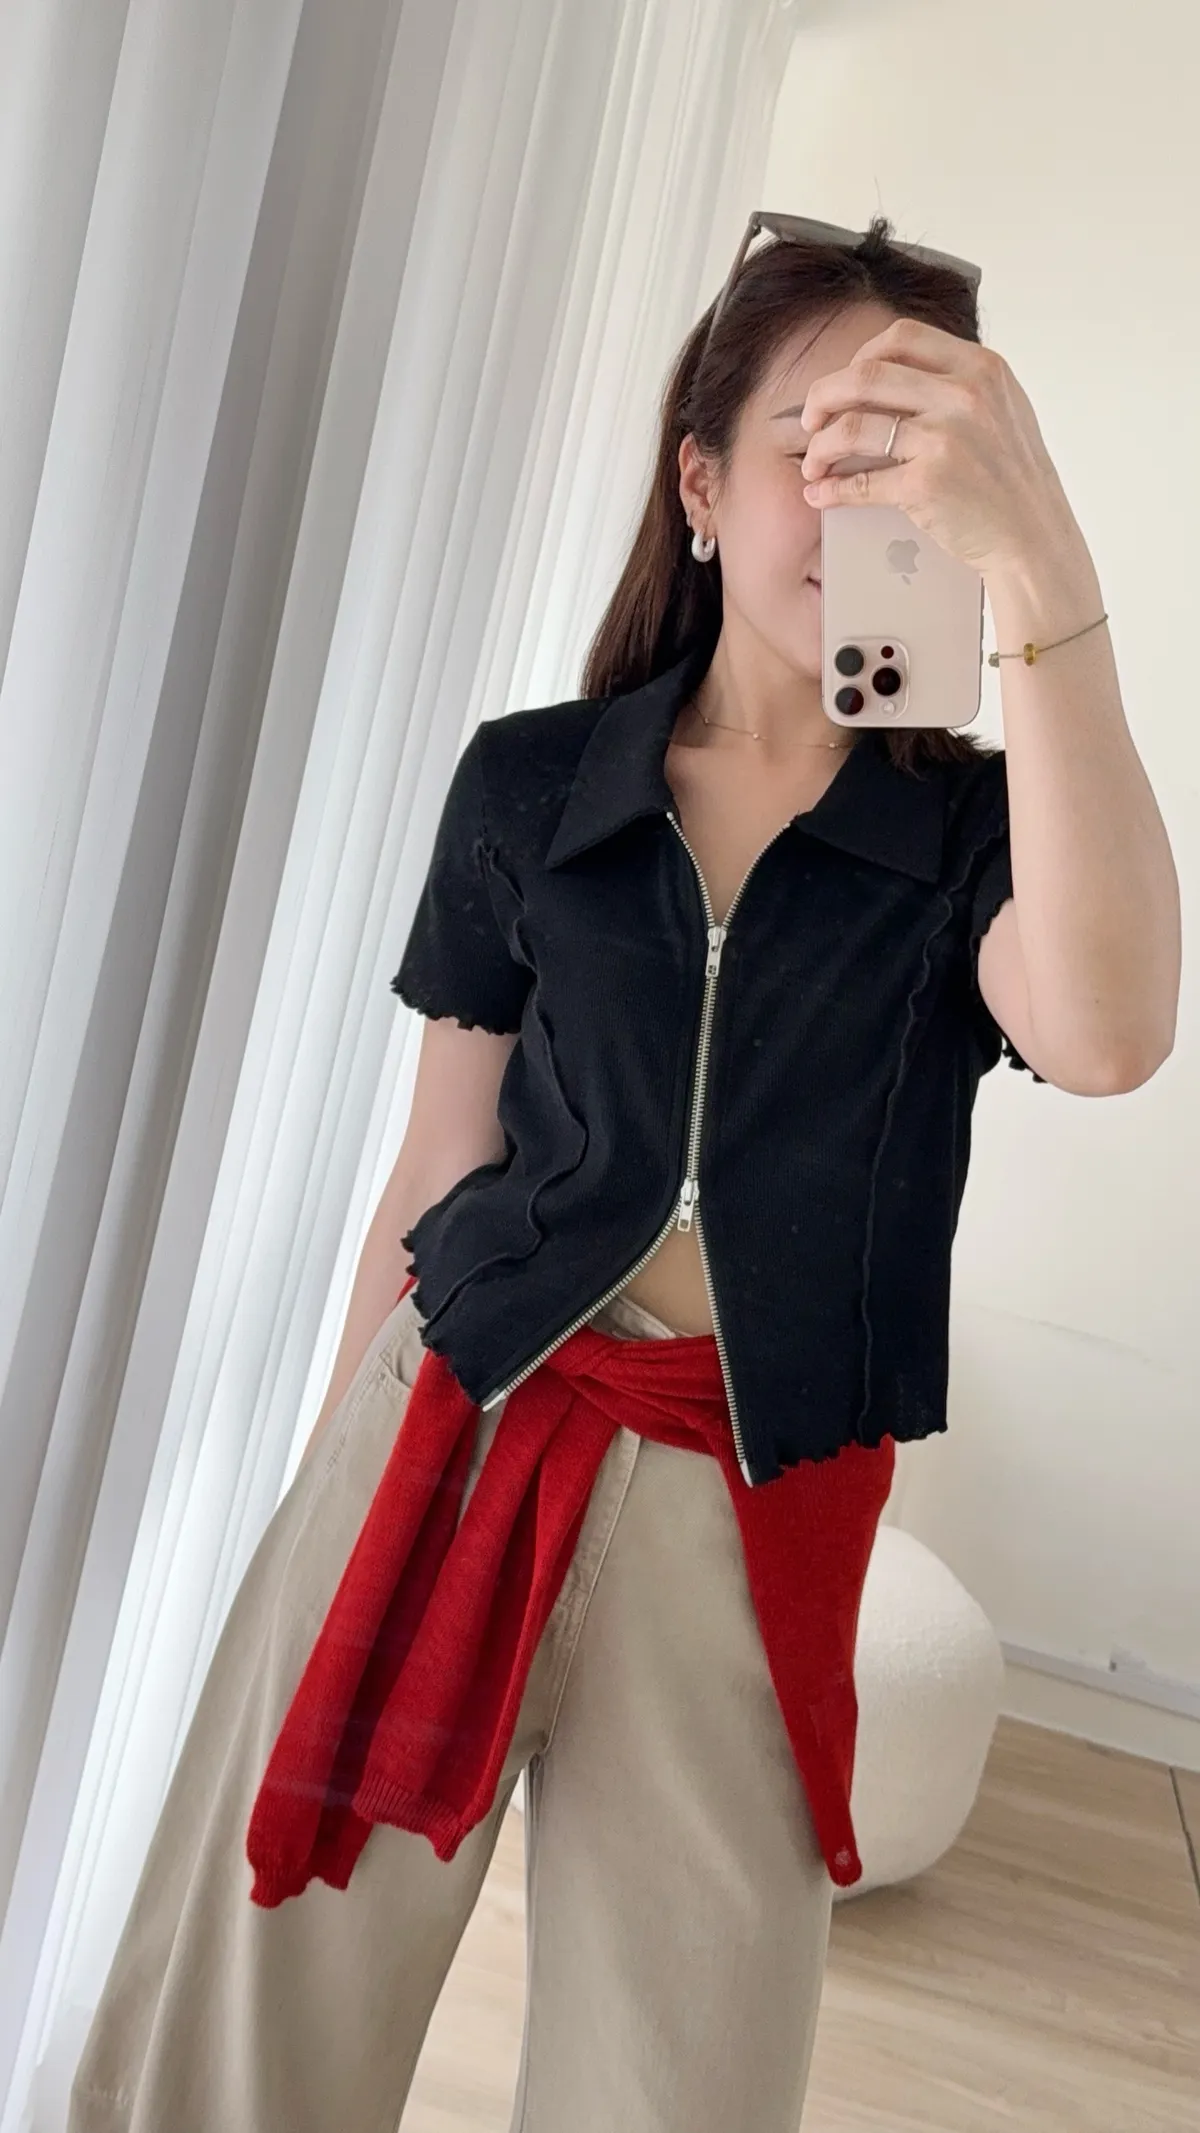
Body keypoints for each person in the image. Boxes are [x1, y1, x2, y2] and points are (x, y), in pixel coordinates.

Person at [69, 215, 1173, 2133]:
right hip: (453, 1427)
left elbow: (1107, 1033)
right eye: (816, 449)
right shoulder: (531, 781)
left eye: (910, 459)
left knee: (682, 2081)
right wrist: (324, 1488)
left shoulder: (975, 834)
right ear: (703, 481)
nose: (858, 502)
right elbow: (446, 1154)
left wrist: (1044, 572)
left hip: (749, 1496)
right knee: (255, 2015)